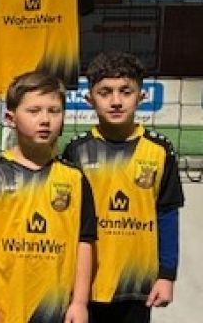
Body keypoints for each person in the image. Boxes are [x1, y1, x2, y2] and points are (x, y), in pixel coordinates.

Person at [62, 52, 184, 323]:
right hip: (84, 284)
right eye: (105, 92)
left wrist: (167, 275)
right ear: (89, 99)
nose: (116, 101)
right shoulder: (76, 151)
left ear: (141, 96)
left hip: (137, 284)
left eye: (125, 92)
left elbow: (167, 215)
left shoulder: (160, 151)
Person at [0, 71, 96, 323]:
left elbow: (85, 243)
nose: (45, 120)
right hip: (3, 308)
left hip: (56, 309)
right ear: (10, 118)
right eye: (34, 111)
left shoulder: (75, 179)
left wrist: (80, 302)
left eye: (54, 111)